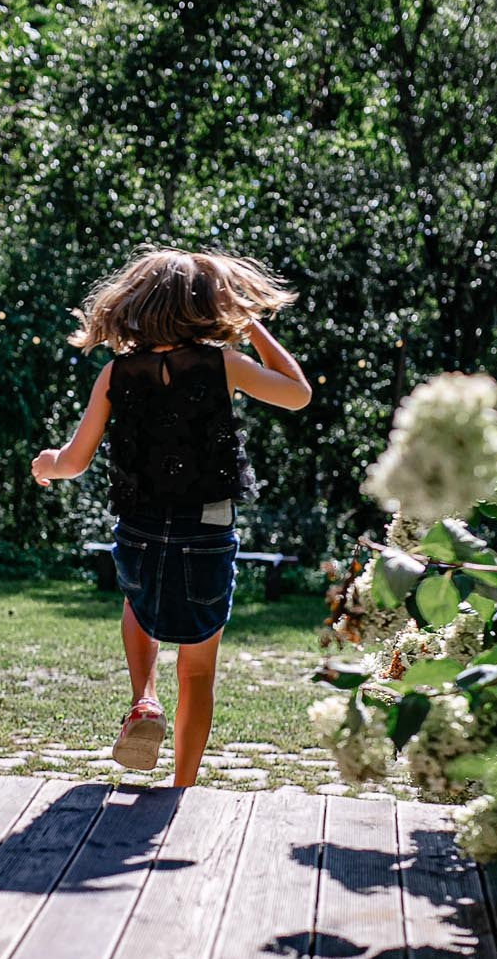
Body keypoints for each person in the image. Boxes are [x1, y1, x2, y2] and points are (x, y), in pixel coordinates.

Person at [31, 248, 311, 786]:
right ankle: (183, 784)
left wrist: (48, 463)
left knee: (138, 602)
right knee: (198, 670)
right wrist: (252, 326)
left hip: (139, 524)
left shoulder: (115, 373)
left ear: (134, 303)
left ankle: (144, 700)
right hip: (207, 527)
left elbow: (75, 460)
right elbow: (297, 395)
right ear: (208, 306)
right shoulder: (223, 364)